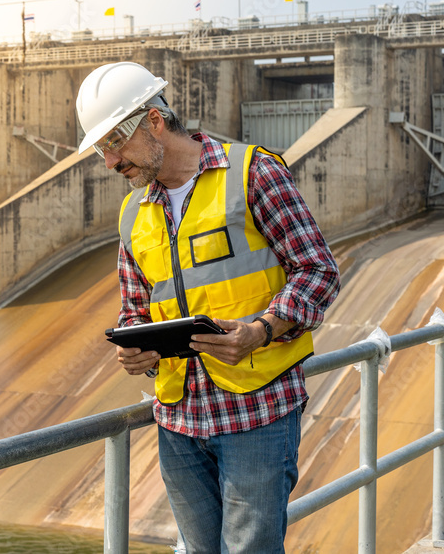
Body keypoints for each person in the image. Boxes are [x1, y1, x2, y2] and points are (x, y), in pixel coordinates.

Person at [75, 61, 340, 554]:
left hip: (256, 410)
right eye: (100, 149)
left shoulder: (252, 173)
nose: (109, 162)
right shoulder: (134, 211)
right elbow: (135, 307)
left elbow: (318, 271)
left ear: (153, 121)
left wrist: (260, 331)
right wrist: (135, 347)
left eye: (114, 144)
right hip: (180, 420)